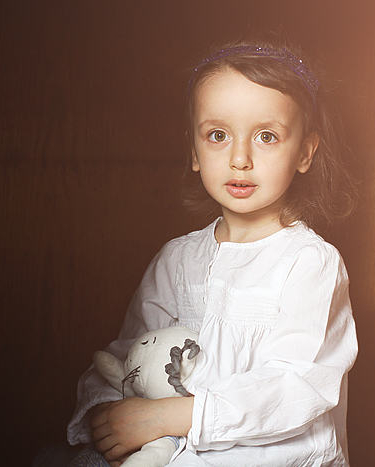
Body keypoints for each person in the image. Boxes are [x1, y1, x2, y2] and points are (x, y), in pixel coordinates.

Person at [66, 38, 359, 467]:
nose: (240, 158)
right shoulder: (177, 259)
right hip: (168, 448)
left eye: (266, 136)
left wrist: (174, 416)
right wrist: (110, 411)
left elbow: (296, 387)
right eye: (218, 135)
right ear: (194, 150)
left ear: (305, 152)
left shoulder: (310, 262)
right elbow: (128, 356)